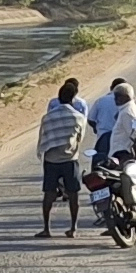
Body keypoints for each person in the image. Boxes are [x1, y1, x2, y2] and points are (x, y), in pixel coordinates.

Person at [35, 78, 90, 237]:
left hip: (51, 160)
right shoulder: (78, 117)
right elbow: (80, 137)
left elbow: (43, 138)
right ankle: (73, 228)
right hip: (70, 159)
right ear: (73, 98)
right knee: (73, 194)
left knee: (49, 194)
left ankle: (46, 229)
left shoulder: (47, 117)